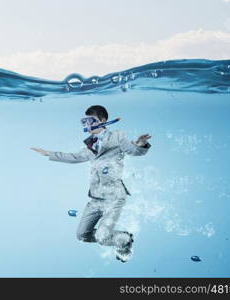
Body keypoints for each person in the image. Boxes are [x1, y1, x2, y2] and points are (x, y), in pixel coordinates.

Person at [30, 105, 151, 262]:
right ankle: (115, 238)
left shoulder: (117, 137)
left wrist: (140, 144)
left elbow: (134, 151)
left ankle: (124, 239)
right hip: (95, 199)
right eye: (84, 122)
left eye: (90, 121)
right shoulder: (91, 145)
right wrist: (49, 153)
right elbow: (74, 157)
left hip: (113, 198)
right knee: (82, 235)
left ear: (103, 120)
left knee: (102, 238)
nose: (87, 125)